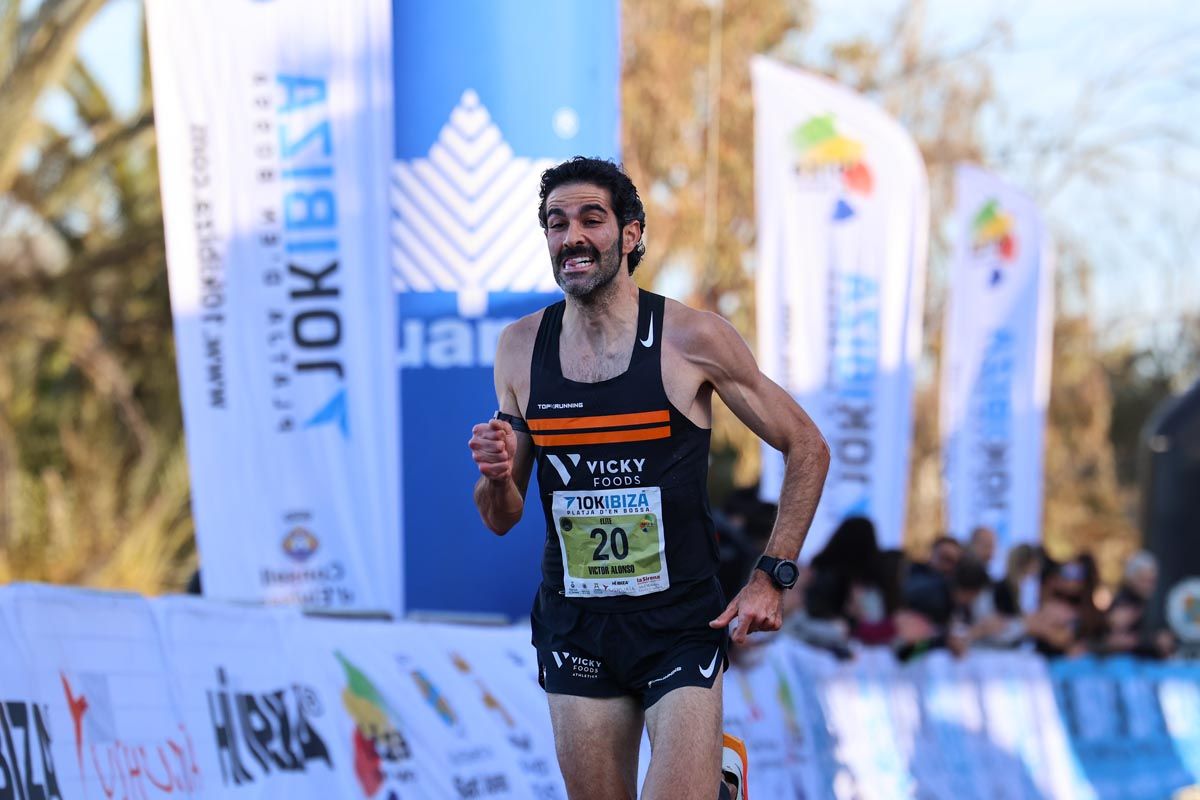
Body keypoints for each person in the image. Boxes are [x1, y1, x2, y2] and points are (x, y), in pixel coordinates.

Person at [468, 157, 830, 800]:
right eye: (556, 223)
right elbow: (502, 517)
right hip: (576, 623)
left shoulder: (692, 339)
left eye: (591, 219)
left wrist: (771, 576)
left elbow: (806, 446)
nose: (571, 236)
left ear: (630, 234)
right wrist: (497, 476)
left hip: (678, 623)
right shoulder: (520, 347)